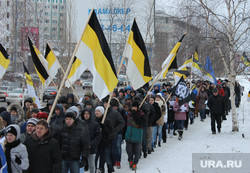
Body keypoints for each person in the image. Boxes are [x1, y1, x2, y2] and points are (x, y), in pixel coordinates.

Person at [125, 101, 145, 171]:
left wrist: (135, 114)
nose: (133, 108)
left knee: (137, 151)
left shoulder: (141, 114)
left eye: (135, 107)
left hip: (137, 135)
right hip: (129, 135)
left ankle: (135, 163)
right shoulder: (128, 114)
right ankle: (130, 159)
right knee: (128, 150)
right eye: (133, 107)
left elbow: (141, 123)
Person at [81, 108, 101, 173]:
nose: (86, 115)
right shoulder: (80, 123)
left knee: (91, 164)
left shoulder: (95, 124)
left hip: (91, 147)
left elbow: (98, 136)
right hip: (81, 147)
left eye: (88, 114)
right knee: (81, 163)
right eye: (85, 114)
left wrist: (91, 144)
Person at [95, 106, 114, 173]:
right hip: (97, 143)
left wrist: (104, 128)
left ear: (102, 112)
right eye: (96, 111)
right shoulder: (94, 121)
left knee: (106, 158)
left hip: (105, 143)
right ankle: (100, 169)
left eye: (98, 111)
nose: (96, 113)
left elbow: (111, 131)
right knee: (96, 158)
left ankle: (110, 169)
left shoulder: (106, 121)